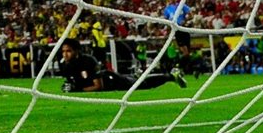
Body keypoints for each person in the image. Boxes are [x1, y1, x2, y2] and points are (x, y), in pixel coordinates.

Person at [57, 38, 185, 93]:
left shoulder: (88, 61)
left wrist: (78, 90)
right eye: (63, 51)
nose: (65, 54)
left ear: (76, 51)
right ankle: (136, 75)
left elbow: (98, 86)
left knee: (144, 85)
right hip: (112, 82)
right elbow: (72, 82)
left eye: (68, 51)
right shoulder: (66, 65)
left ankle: (170, 76)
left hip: (114, 81)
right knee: (139, 80)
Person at [162, 0, 192, 73]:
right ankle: (177, 66)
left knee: (188, 52)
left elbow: (190, 14)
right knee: (185, 52)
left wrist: (186, 20)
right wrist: (168, 31)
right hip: (177, 30)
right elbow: (166, 21)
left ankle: (183, 68)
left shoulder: (181, 5)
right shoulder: (167, 9)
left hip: (184, 29)